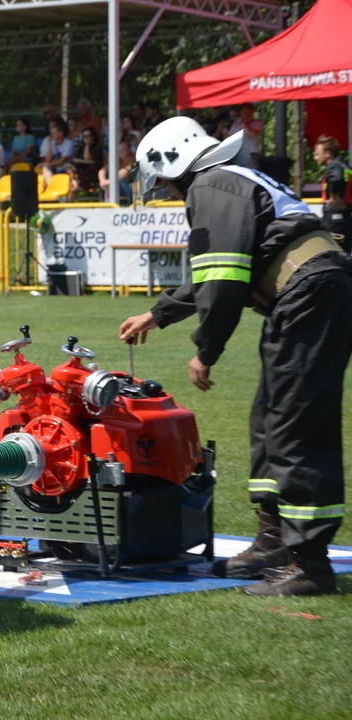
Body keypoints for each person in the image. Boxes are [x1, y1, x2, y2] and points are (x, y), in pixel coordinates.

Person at [119, 116, 351, 597]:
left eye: (161, 179)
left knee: (295, 426)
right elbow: (219, 271)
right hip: (308, 293)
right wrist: (159, 314)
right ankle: (273, 543)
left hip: (308, 294)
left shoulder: (211, 186)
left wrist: (206, 351)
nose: (162, 189)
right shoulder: (227, 179)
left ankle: (310, 563)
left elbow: (224, 279)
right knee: (270, 420)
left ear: (174, 161)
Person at [314, 134, 352, 251]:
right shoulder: (344, 165)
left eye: (317, 154)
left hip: (335, 216)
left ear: (328, 153)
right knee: (343, 252)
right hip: (344, 215)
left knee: (333, 252)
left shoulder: (334, 166)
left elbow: (336, 179)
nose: (315, 158)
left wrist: (334, 196)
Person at [38, 121, 74, 188]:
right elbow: (48, 160)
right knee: (45, 169)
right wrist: (50, 144)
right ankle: (51, 188)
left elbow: (61, 162)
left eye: (53, 133)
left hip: (67, 168)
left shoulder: (69, 143)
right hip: (55, 168)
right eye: (51, 133)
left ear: (60, 133)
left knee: (46, 166)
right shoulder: (52, 143)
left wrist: (47, 164)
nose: (51, 135)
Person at [70, 127, 103, 197]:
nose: (86, 138)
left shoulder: (97, 148)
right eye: (84, 136)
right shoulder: (80, 147)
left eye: (88, 136)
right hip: (81, 169)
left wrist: (87, 145)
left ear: (93, 136)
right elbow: (74, 159)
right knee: (70, 168)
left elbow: (88, 158)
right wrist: (84, 161)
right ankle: (74, 186)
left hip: (93, 171)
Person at [230, 104, 264, 168]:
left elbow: (252, 135)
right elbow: (230, 137)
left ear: (252, 112)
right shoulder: (236, 123)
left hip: (251, 154)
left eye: (247, 110)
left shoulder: (257, 122)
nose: (245, 112)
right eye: (243, 110)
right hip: (238, 154)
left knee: (251, 174)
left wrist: (245, 124)